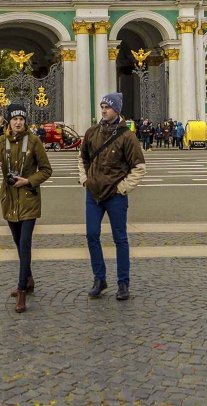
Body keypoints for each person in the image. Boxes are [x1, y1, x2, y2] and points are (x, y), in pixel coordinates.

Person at [0, 103, 53, 314]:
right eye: (14, 119)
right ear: (8, 121)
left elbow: (46, 170)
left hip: (29, 199)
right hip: (10, 200)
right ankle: (29, 278)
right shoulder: (0, 142)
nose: (18, 122)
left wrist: (28, 181)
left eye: (21, 119)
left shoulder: (34, 141)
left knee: (24, 244)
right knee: (17, 241)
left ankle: (22, 289)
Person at [78, 93, 145, 301]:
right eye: (102, 107)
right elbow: (82, 159)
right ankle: (99, 279)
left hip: (115, 195)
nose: (104, 110)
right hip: (93, 194)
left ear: (117, 109)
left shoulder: (127, 136)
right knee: (91, 235)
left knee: (120, 239)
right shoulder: (91, 133)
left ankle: (123, 283)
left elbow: (139, 167)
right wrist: (85, 181)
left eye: (107, 107)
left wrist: (122, 188)